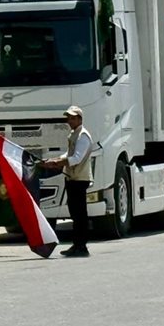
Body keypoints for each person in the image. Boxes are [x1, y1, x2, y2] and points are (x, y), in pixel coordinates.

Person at [42, 105, 93, 257]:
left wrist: (57, 163)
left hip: (79, 178)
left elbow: (77, 158)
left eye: (73, 118)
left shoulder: (83, 136)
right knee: (75, 213)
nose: (70, 121)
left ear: (80, 119)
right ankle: (77, 245)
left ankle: (81, 246)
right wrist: (55, 159)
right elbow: (69, 154)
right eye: (69, 118)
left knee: (79, 214)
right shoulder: (74, 134)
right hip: (72, 178)